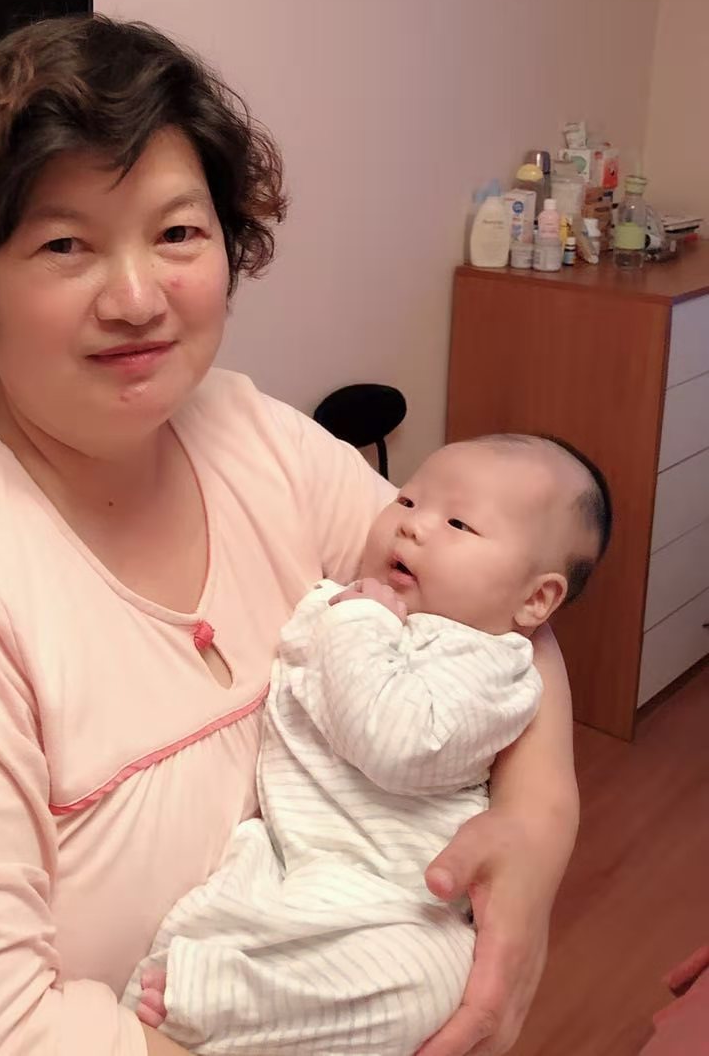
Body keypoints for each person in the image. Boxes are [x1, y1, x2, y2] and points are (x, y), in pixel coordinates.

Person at [0, 14, 581, 1056]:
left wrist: (537, 819)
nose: (136, 299)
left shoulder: (247, 429)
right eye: (64, 244)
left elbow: (486, 600)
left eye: (176, 234)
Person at [129, 435, 612, 1055]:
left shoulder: (491, 667)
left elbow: (395, 744)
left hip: (392, 893)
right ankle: (202, 995)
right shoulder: (360, 598)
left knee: (428, 984)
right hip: (285, 852)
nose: (412, 525)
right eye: (407, 500)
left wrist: (361, 620)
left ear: (535, 599)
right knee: (214, 921)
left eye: (459, 524)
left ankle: (223, 1002)